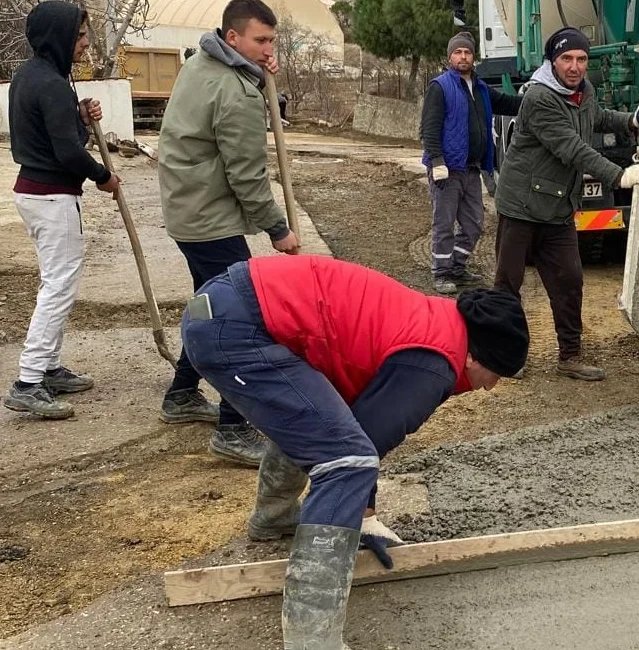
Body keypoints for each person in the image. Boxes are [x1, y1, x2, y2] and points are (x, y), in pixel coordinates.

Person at [180, 254, 528, 648]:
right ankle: (313, 639)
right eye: (495, 374)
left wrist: (362, 514)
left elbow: (349, 424)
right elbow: (362, 446)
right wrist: (359, 517)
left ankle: (274, 519)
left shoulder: (434, 322)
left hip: (225, 309)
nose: (490, 387)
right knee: (344, 462)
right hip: (236, 328)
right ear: (475, 356)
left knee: (318, 427)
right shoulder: (433, 362)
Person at [156, 0, 300, 466]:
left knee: (209, 302)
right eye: (260, 41)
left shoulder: (201, 63)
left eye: (272, 41)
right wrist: (278, 228)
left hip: (187, 208)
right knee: (237, 317)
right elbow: (247, 174)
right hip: (208, 217)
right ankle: (232, 428)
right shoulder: (234, 90)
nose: (268, 48)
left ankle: (180, 394)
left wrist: (257, 75)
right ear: (232, 38)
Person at [492, 26, 639, 381]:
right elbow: (571, 147)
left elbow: (595, 117)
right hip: (520, 206)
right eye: (567, 58)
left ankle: (570, 356)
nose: (575, 66)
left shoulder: (584, 91)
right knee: (508, 283)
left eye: (581, 59)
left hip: (558, 208)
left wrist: (630, 119)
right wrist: (619, 176)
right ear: (552, 61)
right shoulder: (539, 98)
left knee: (569, 280)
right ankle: (507, 356)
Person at [3, 2, 122, 420]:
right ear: (60, 37)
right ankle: (28, 381)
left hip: (37, 193)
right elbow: (68, 152)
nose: (87, 43)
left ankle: (49, 368)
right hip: (51, 197)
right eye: (81, 36)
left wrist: (78, 114)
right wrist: (102, 175)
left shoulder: (33, 76)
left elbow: (52, 129)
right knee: (58, 287)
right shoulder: (51, 83)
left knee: (56, 282)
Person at [420, 31, 523, 294]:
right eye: (458, 52)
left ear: (473, 57)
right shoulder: (440, 87)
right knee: (443, 223)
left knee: (474, 223)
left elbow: (509, 103)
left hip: (472, 169)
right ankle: (441, 273)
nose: (463, 56)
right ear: (450, 56)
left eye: (467, 52)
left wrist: (536, 100)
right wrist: (436, 161)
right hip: (448, 170)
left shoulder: (481, 88)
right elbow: (429, 128)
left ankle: (457, 266)